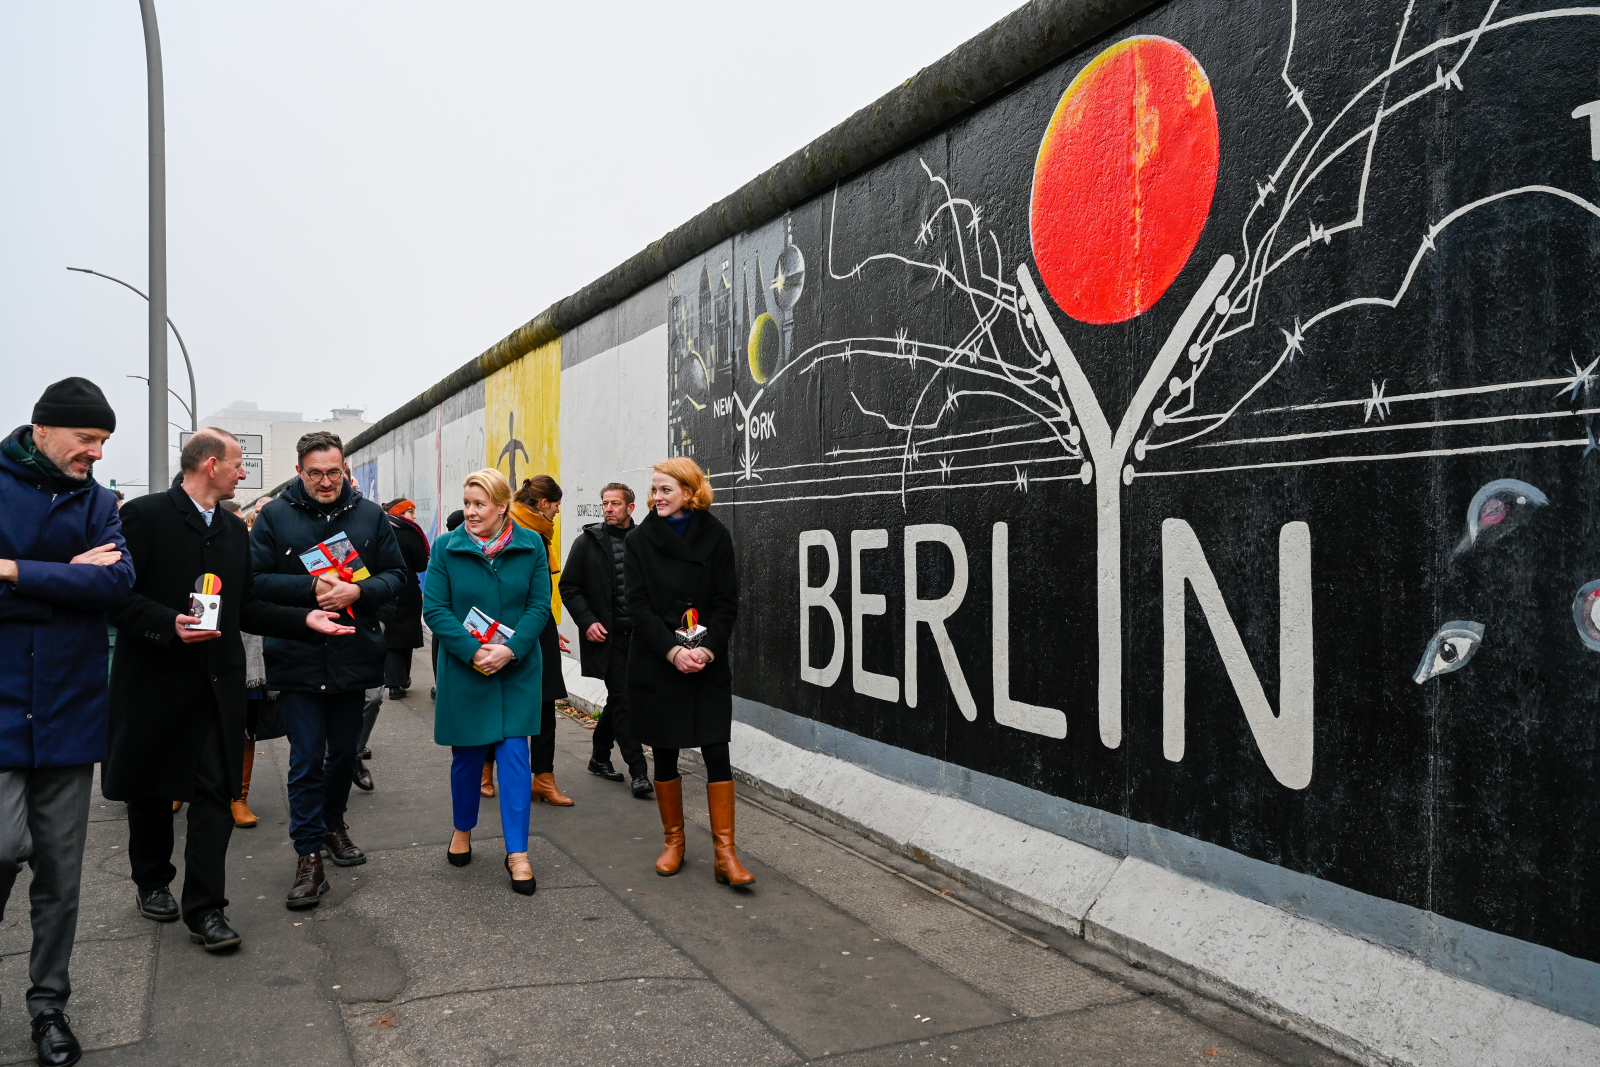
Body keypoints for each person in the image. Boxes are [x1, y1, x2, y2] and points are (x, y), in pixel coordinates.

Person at [105, 429, 353, 952]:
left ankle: (206, 910)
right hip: (153, 686)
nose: (245, 474)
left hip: (217, 689)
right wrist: (167, 624)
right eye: (239, 465)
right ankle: (152, 881)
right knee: (151, 794)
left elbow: (247, 609)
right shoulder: (145, 517)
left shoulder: (234, 531)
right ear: (212, 465)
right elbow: (114, 599)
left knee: (215, 796)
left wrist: (308, 618)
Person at [0, 378, 133, 1066]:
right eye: (87, 439)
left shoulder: (100, 502)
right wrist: (61, 575)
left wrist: (16, 571)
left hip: (70, 713)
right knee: (1, 846)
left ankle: (48, 1004)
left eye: (104, 441)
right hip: (1, 711)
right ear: (43, 429)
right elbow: (83, 587)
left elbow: (114, 584)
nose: (96, 452)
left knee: (60, 874)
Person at [250, 431, 406, 908]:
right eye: (314, 472)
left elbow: (397, 577)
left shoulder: (370, 515)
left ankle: (334, 823)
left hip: (353, 655)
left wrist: (359, 592)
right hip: (297, 654)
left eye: (332, 472)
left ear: (345, 468)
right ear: (300, 471)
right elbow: (252, 582)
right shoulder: (274, 516)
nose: (324, 481)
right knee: (305, 759)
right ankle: (308, 856)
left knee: (342, 753)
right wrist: (312, 589)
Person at [425, 469, 551, 895]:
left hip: (516, 671)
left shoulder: (531, 544)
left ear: (502, 507)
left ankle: (517, 852)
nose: (471, 511)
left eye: (480, 504)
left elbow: (539, 606)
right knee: (466, 762)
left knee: (516, 759)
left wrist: (510, 649)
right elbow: (435, 609)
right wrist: (474, 651)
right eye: (467, 503)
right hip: (466, 672)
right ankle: (463, 828)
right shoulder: (446, 547)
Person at [627, 458, 751, 886]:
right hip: (660, 663)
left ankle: (725, 853)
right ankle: (674, 842)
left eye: (665, 490)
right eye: (654, 490)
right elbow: (636, 607)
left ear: (690, 491)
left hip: (705, 664)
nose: (656, 498)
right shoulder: (640, 539)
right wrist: (672, 652)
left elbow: (726, 602)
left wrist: (708, 650)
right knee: (664, 752)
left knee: (717, 750)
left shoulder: (716, 535)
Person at [559, 482, 650, 798]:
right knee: (625, 699)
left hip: (640, 638)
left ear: (630, 508)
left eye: (615, 503)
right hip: (608, 638)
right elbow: (569, 587)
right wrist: (587, 621)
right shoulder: (587, 543)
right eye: (605, 503)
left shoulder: (644, 541)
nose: (609, 508)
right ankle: (639, 771)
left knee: (622, 699)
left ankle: (599, 757)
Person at [507, 475, 574, 807]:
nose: (558, 512)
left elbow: (539, 592)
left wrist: (548, 626)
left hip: (538, 622)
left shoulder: (537, 530)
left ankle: (543, 778)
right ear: (543, 503)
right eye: (557, 505)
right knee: (506, 700)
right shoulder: (518, 530)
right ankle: (488, 770)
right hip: (513, 629)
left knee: (546, 702)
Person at [430, 509, 465, 702]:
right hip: (461, 614)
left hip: (446, 614)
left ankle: (441, 685)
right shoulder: (446, 545)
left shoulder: (442, 543)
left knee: (441, 649)